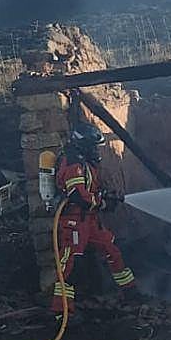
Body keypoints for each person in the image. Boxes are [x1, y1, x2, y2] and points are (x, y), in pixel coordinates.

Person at [49, 123, 135, 316]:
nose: (96, 151)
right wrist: (102, 203)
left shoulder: (86, 163)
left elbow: (91, 191)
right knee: (69, 264)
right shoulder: (73, 164)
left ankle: (130, 291)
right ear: (83, 145)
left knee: (111, 249)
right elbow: (78, 196)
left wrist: (107, 197)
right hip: (74, 221)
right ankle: (61, 311)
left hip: (89, 220)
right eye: (93, 147)